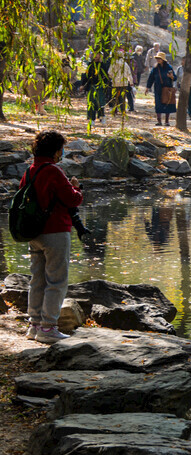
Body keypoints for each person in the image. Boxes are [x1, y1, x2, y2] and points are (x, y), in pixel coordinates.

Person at [21, 130, 83, 344]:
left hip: (34, 232)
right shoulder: (54, 171)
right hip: (55, 231)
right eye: (61, 149)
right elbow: (72, 199)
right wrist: (75, 188)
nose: (62, 152)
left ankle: (34, 325)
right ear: (56, 151)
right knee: (56, 280)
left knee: (37, 279)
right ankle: (48, 327)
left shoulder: (30, 171)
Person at [146, 50, 176, 126]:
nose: (158, 60)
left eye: (159, 58)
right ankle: (159, 121)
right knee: (158, 104)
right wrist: (147, 87)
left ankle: (167, 121)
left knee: (167, 104)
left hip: (167, 88)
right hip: (158, 88)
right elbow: (151, 78)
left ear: (163, 59)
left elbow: (175, 77)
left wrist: (171, 77)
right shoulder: (155, 68)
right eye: (157, 58)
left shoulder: (169, 67)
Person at [82, 51, 107, 123]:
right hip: (92, 86)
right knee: (91, 102)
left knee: (100, 102)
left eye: (97, 55)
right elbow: (86, 76)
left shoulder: (103, 65)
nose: (95, 56)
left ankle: (102, 116)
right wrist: (83, 85)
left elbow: (105, 77)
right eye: (94, 54)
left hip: (100, 86)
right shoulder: (90, 65)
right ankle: (91, 118)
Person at [110, 48, 133, 114]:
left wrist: (112, 77)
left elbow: (110, 72)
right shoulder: (125, 64)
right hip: (124, 83)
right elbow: (129, 73)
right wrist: (131, 82)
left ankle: (115, 109)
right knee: (122, 97)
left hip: (115, 83)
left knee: (115, 96)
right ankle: (123, 110)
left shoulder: (113, 64)